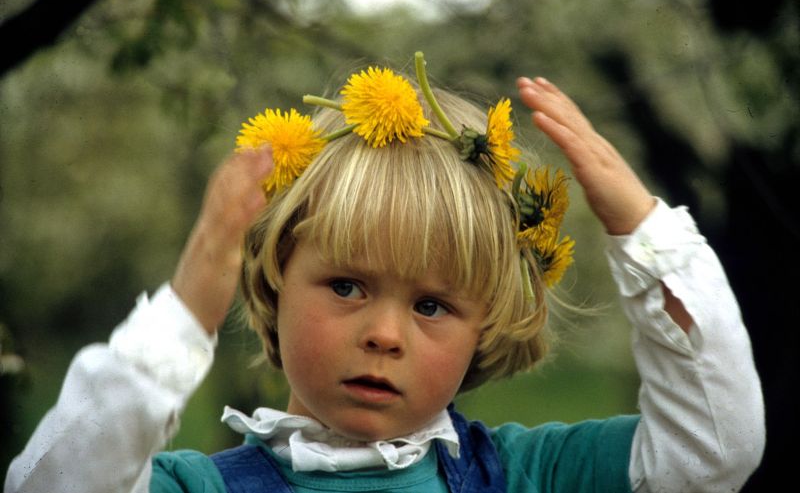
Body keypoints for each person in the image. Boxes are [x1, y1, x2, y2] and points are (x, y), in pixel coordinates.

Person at [4, 52, 764, 493]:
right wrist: (179, 321)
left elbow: (716, 447)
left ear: (485, 328)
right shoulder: (196, 486)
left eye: (433, 304)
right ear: (274, 278)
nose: (384, 333)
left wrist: (651, 237)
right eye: (346, 285)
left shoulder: (531, 475)